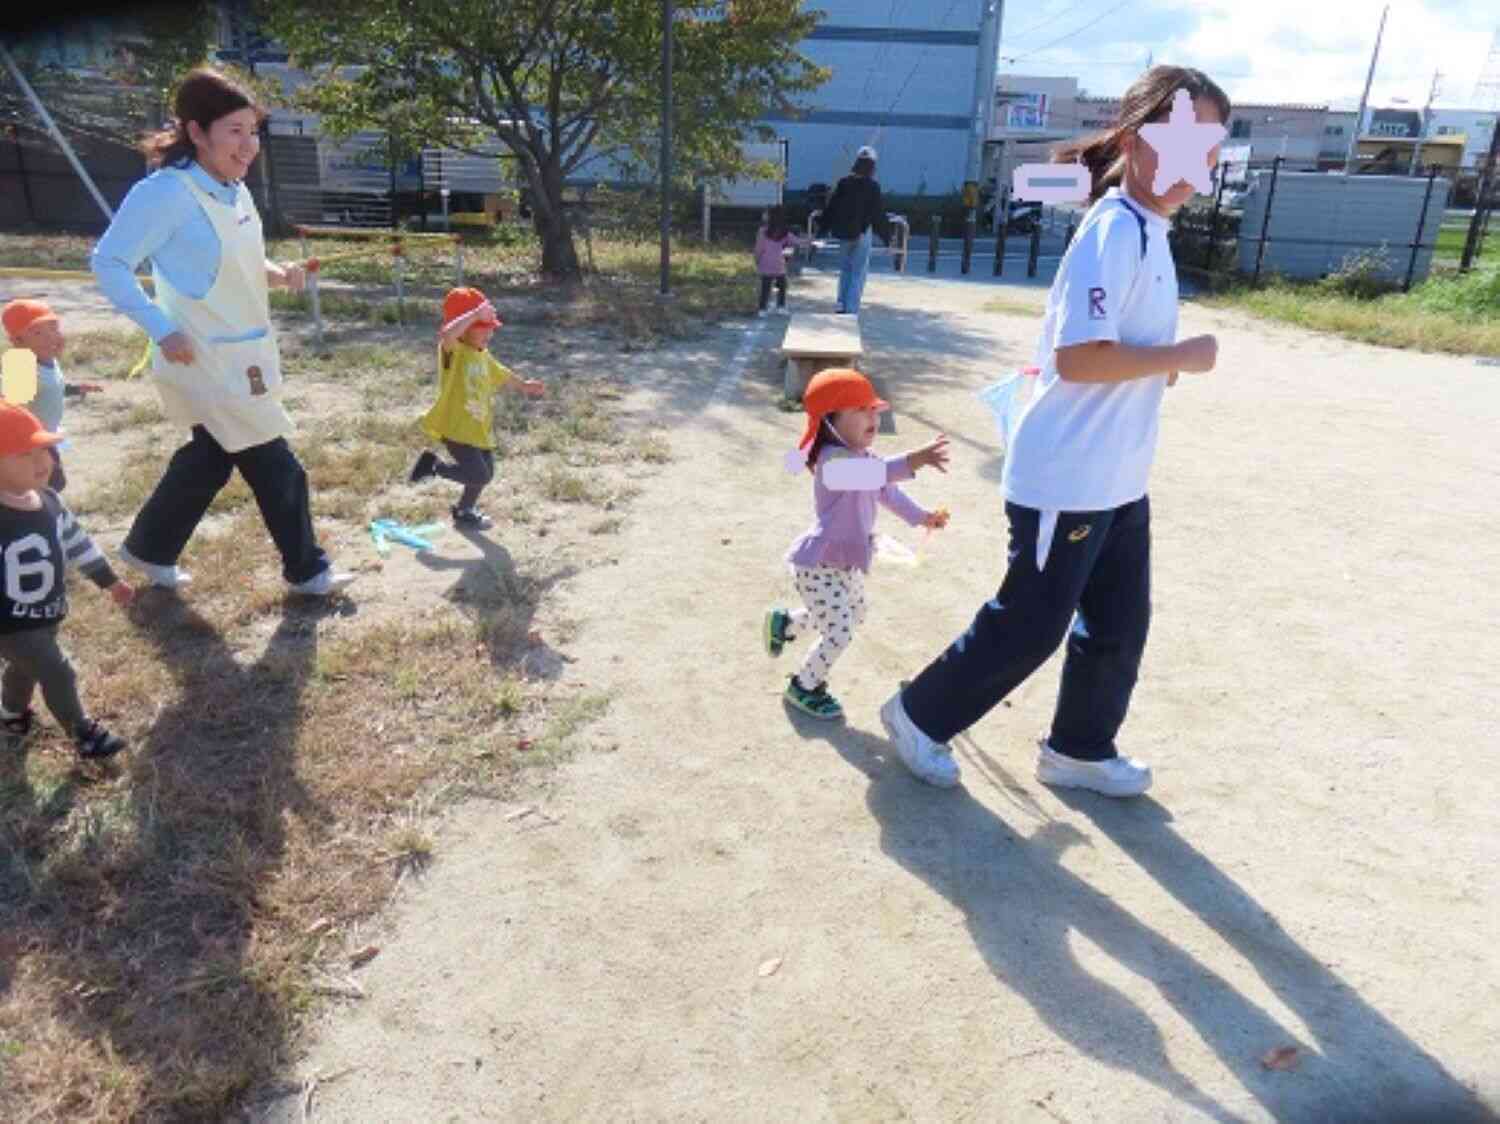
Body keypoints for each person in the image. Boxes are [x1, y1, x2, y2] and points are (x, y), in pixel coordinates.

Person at [880, 65, 1229, 791]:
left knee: (1120, 623)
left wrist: (1157, 366)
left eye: (1210, 150)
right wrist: (1182, 357)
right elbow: (1078, 359)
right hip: (1068, 475)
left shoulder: (1151, 230)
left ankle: (1079, 748)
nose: (1197, 169)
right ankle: (919, 715)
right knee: (1033, 621)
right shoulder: (1114, 229)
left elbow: (1111, 350)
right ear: (1136, 142)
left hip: (1117, 477)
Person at [90, 67, 354, 596]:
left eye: (253, 131)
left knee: (209, 459)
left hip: (245, 352)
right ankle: (308, 571)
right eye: (234, 130)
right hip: (203, 358)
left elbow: (236, 258)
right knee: (275, 462)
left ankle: (149, 548)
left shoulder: (234, 191)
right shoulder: (165, 193)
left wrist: (278, 273)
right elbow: (109, 262)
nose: (248, 145)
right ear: (195, 131)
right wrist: (161, 329)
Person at [765, 368, 949, 720]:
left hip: (845, 562)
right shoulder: (830, 462)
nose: (873, 417)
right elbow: (876, 476)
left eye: (873, 409)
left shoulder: (864, 457)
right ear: (830, 422)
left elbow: (888, 491)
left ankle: (786, 623)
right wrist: (915, 459)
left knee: (856, 613)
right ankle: (804, 686)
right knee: (840, 630)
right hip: (818, 565)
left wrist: (922, 516)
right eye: (860, 410)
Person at [0, 403, 134, 759]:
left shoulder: (50, 502)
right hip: (10, 623)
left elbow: (78, 544)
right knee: (58, 671)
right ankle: (83, 733)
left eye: (44, 448)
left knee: (24, 669)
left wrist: (109, 581)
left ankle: (11, 714)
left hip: (48, 612)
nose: (43, 459)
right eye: (25, 453)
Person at [408, 287, 545, 530]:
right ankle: (433, 467)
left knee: (486, 474)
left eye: (491, 326)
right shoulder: (454, 353)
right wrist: (473, 315)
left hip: (478, 427)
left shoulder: (482, 354)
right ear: (464, 328)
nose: (490, 331)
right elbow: (447, 335)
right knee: (478, 475)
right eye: (483, 327)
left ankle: (464, 510)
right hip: (457, 428)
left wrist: (524, 386)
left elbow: (502, 374)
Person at [1, 299, 105, 493]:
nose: (50, 337)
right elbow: (9, 410)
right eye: (38, 332)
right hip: (29, 444)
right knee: (47, 485)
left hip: (46, 435)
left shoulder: (46, 359)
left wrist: (74, 388)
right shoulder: (21, 366)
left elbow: (48, 387)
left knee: (53, 483)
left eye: (53, 327)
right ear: (18, 341)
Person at [820, 146, 890, 315]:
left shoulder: (844, 183)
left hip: (843, 234)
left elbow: (831, 208)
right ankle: (851, 308)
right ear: (872, 165)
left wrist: (822, 229)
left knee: (845, 269)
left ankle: (841, 304)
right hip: (863, 233)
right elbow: (878, 214)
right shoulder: (873, 186)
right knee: (858, 272)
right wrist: (887, 237)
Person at [753, 205, 807, 317]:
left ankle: (762, 309)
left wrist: (756, 260)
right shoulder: (784, 232)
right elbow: (797, 242)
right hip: (779, 263)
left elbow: (759, 249)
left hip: (765, 263)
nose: (764, 215)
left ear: (770, 217)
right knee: (782, 285)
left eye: (767, 213)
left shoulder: (762, 231)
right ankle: (781, 307)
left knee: (765, 287)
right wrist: (809, 240)